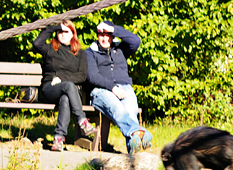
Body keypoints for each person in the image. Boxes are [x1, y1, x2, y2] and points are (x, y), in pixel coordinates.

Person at [85, 20, 153, 154]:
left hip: (124, 88)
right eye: (101, 35)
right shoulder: (90, 52)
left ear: (112, 35)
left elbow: (135, 41)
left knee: (131, 111)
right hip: (101, 91)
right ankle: (138, 132)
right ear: (97, 36)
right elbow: (92, 76)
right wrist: (112, 88)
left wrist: (113, 28)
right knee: (117, 108)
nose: (104, 38)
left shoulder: (120, 49)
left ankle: (134, 152)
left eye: (107, 34)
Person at [32, 21, 96, 152]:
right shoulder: (50, 49)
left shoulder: (80, 54)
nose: (62, 34)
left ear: (73, 34)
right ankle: (82, 121)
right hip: (50, 89)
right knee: (68, 87)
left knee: (66, 97)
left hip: (68, 92)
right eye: (60, 32)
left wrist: (62, 79)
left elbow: (82, 76)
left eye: (66, 31)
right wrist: (55, 26)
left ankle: (59, 139)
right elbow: (36, 43)